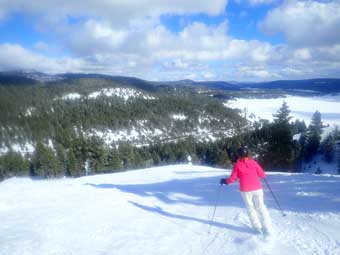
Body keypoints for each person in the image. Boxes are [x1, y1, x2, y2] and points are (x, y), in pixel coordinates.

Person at [220, 147, 272, 235]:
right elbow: (262, 174)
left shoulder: (237, 165)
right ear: (247, 154)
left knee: (250, 208)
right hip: (257, 189)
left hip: (245, 190)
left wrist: (225, 181)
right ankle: (267, 228)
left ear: (239, 155)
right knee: (261, 208)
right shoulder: (254, 162)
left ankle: (257, 229)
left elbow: (232, 178)